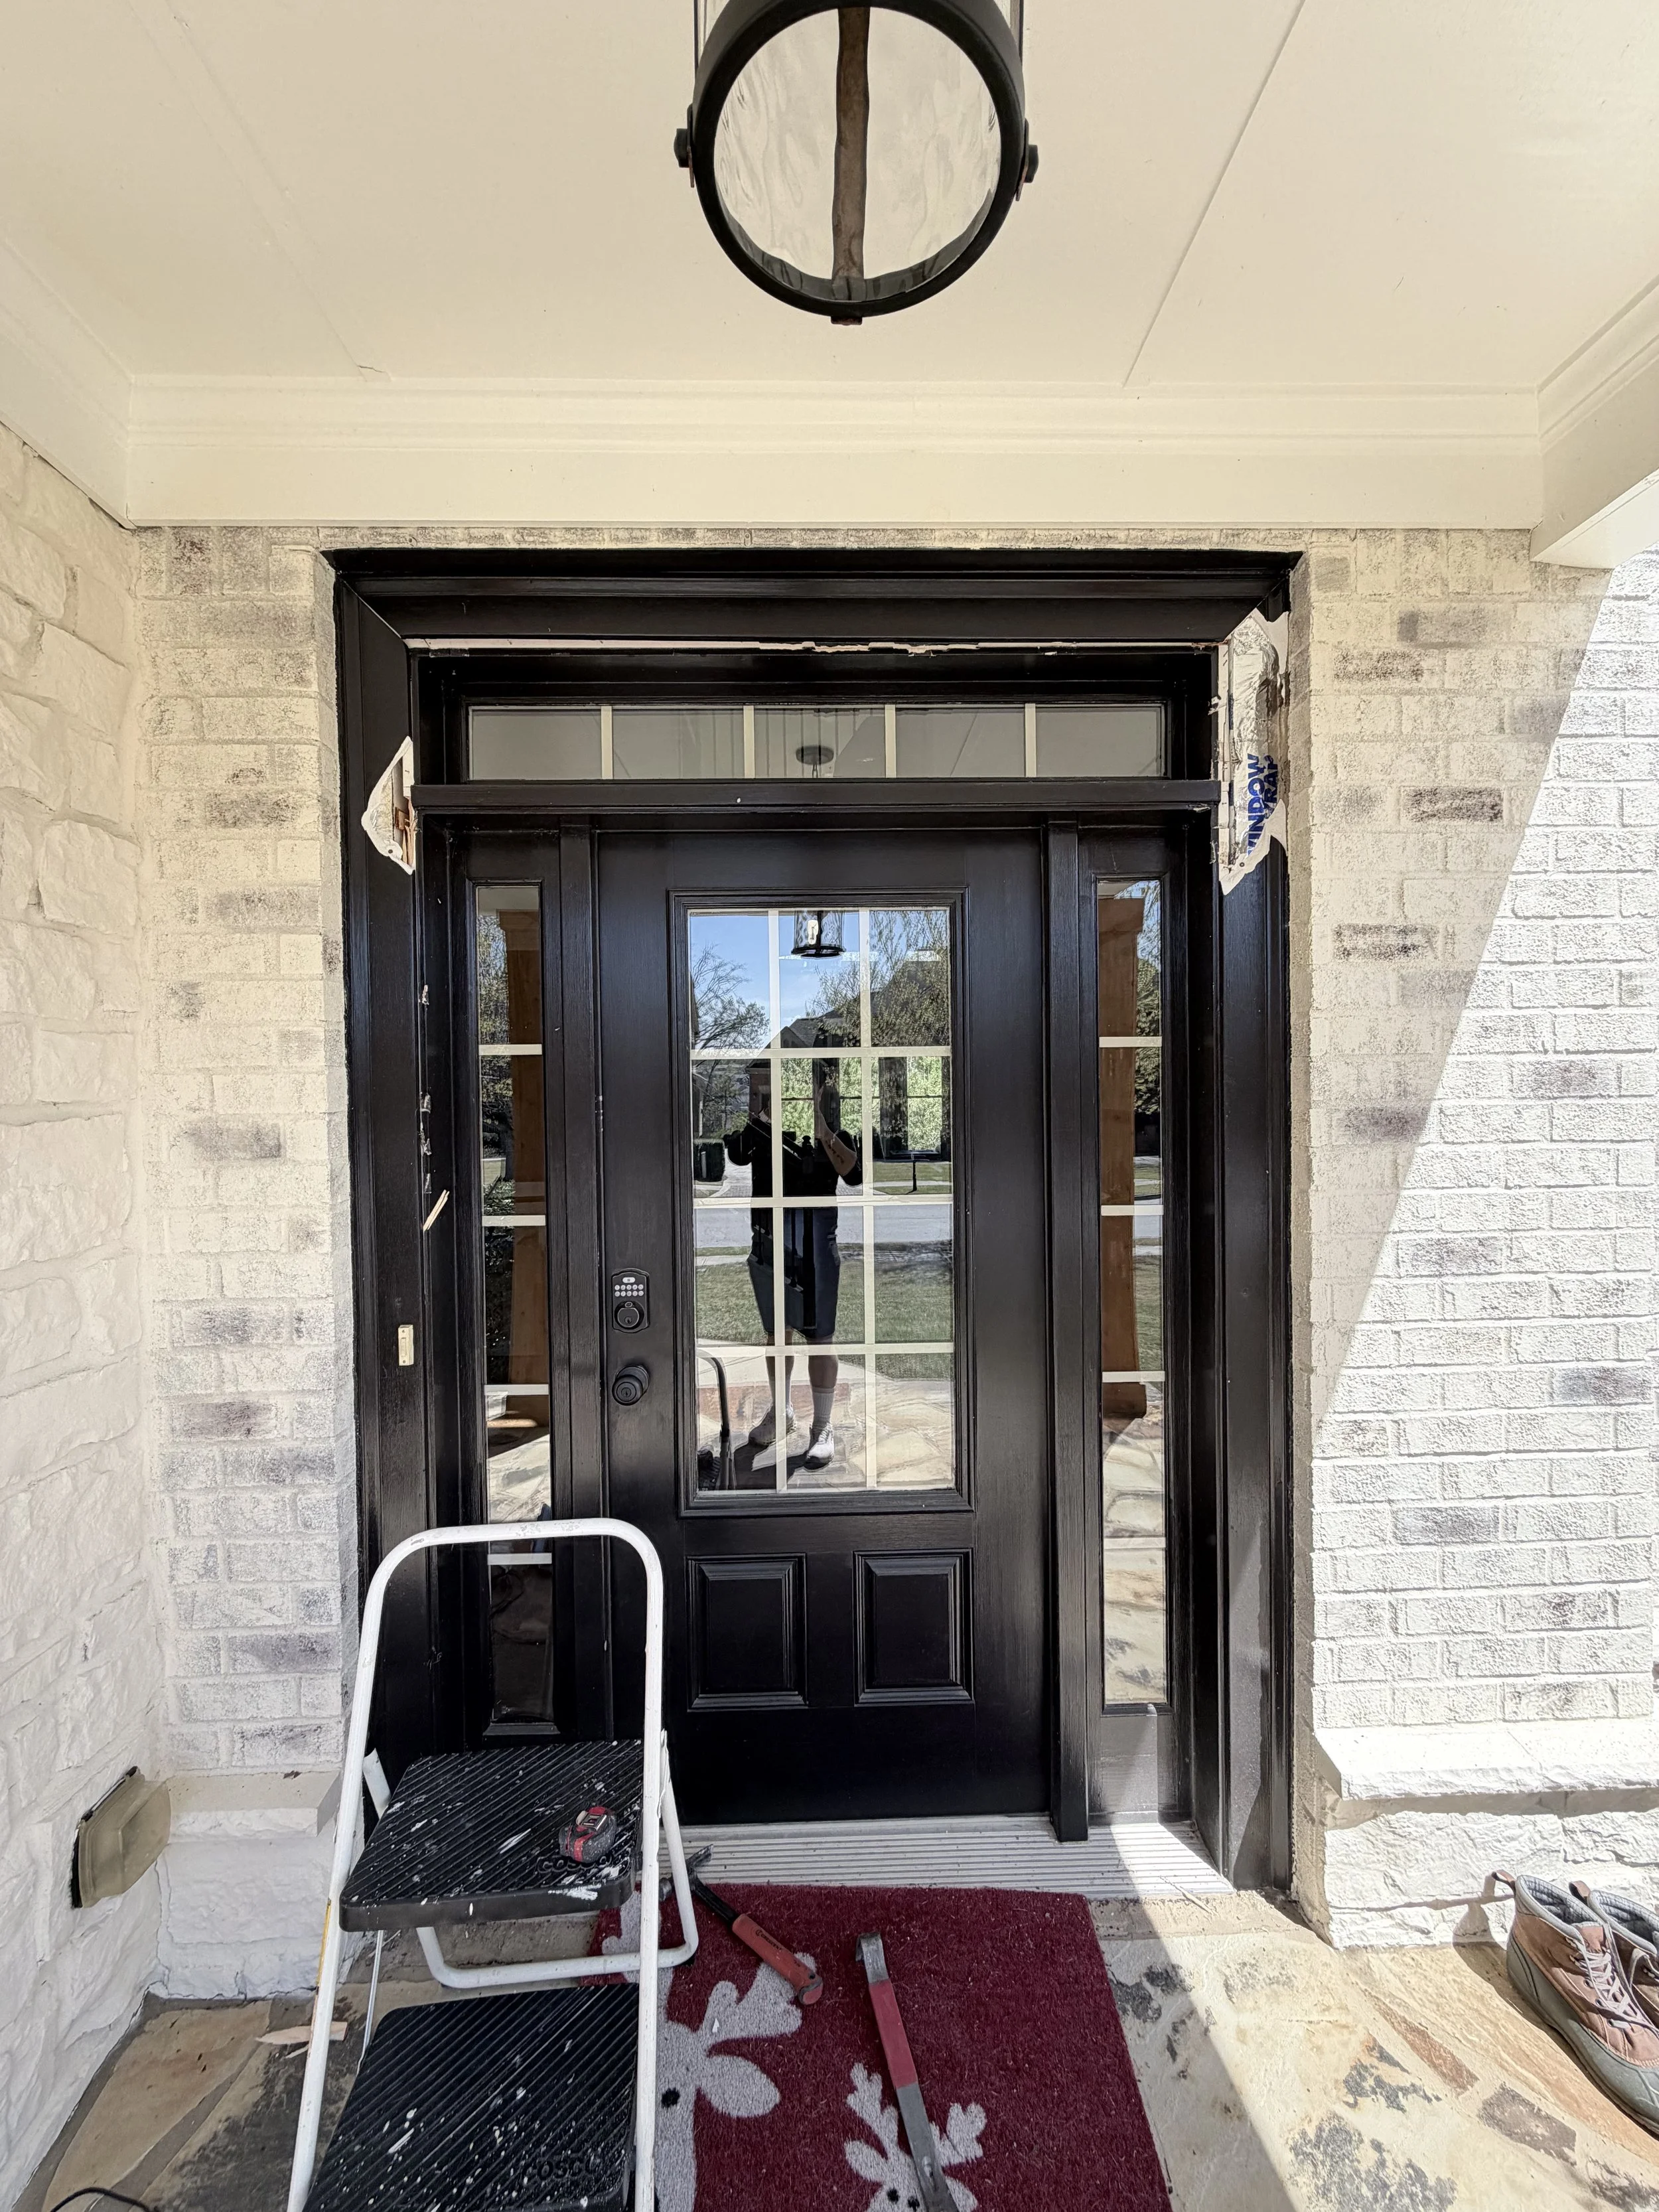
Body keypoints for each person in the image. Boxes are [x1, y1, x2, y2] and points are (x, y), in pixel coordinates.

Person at [724, 1055, 861, 1470]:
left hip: (817, 1246)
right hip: (770, 1241)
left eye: (812, 1088)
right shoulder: (763, 1128)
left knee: (821, 1336)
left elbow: (854, 1175)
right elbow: (737, 1155)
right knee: (777, 1333)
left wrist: (822, 1131)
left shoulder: (839, 1129)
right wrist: (755, 1108)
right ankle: (781, 1412)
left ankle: (822, 1425)